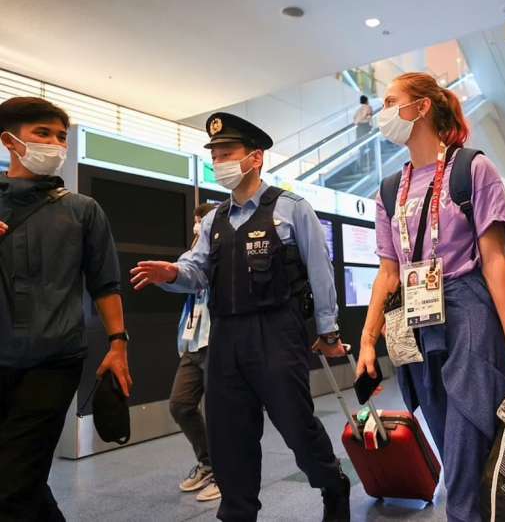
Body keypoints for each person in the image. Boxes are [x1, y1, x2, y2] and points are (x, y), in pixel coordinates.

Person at [130, 112, 350, 522]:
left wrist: (328, 329)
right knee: (230, 439)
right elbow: (196, 270)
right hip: (224, 339)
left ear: (255, 158)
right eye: (214, 154)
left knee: (298, 429)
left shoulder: (292, 209)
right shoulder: (213, 220)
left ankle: (331, 483)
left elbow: (321, 273)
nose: (219, 161)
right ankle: (236, 512)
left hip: (276, 336)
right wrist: (172, 273)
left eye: (226, 152)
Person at [356, 72, 505, 521]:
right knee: (450, 437)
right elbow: (388, 272)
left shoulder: (472, 169)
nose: (383, 112)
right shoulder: (388, 190)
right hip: (416, 317)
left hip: (468, 306)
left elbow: (495, 261)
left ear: (420, 108)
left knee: (466, 434)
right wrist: (367, 340)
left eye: (391, 101)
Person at [0, 97, 132, 520]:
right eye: (43, 133)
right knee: (24, 480)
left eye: (62, 136)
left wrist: (118, 343)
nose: (56, 144)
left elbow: (105, 283)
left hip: (54, 360)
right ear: (10, 141)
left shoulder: (82, 211)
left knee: (14, 483)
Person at [170, 202, 220, 502]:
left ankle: (225, 474)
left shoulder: (223, 248)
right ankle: (207, 462)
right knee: (180, 404)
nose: (197, 225)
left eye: (202, 220)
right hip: (192, 341)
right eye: (196, 220)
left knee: (219, 414)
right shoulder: (192, 254)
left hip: (218, 340)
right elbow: (182, 276)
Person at [354, 95, 374, 170]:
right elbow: (369, 117)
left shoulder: (358, 109)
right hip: (366, 127)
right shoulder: (368, 107)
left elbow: (355, 120)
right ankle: (370, 163)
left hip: (359, 128)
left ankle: (361, 165)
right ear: (366, 101)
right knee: (371, 145)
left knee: (361, 148)